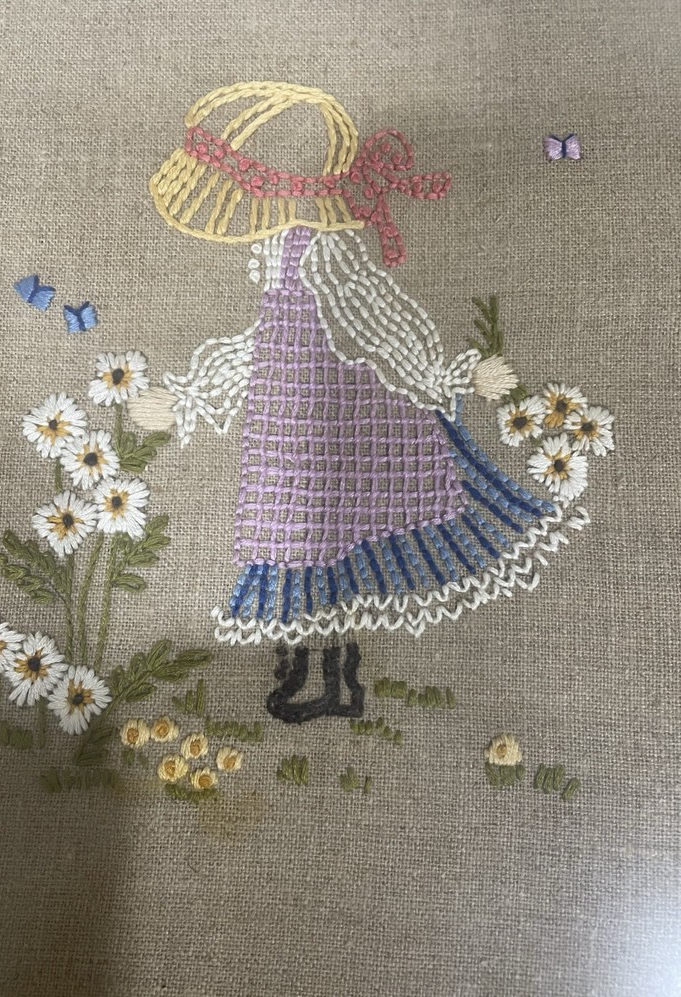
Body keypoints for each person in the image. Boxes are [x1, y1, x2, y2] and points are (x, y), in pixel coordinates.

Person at [130, 82, 587, 722]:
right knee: (294, 542)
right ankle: (304, 667)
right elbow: (260, 342)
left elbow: (380, 326)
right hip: (288, 420)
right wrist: (186, 398)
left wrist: (449, 375)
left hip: (350, 422)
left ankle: (336, 678)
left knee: (330, 544)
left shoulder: (325, 254)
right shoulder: (281, 252)